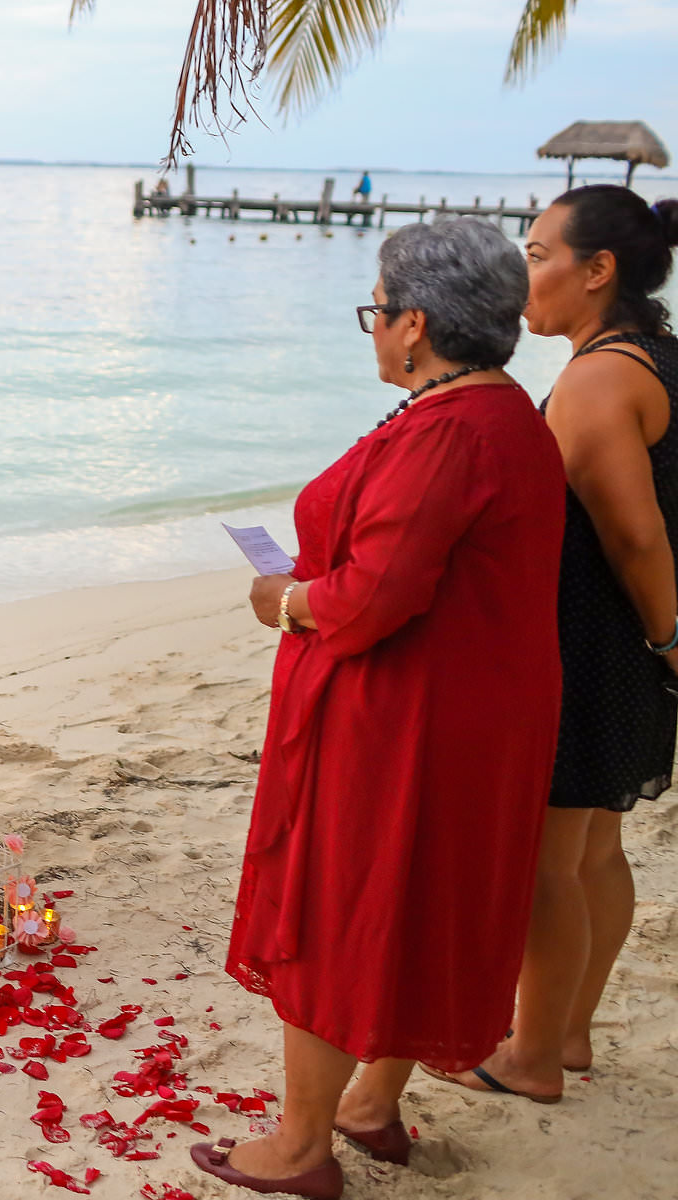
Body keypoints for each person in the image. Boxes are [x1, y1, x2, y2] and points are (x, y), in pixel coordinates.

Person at [190, 218, 567, 1199]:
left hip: (411, 714)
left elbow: (371, 597)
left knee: (343, 901)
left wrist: (287, 600)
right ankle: (369, 1102)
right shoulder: (504, 413)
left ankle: (304, 1142)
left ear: (417, 323)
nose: (373, 330)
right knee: (419, 898)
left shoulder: (451, 431)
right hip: (476, 699)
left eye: (377, 310)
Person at [430, 186, 678, 1103]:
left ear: (598, 270)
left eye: (538, 254)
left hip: (596, 644)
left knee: (548, 864)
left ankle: (532, 1056)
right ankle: (565, 1032)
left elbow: (635, 535)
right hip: (623, 645)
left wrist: (671, 641)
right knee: (595, 853)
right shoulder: (655, 354)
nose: (523, 273)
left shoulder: (598, 375)